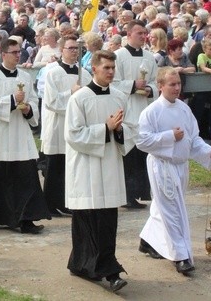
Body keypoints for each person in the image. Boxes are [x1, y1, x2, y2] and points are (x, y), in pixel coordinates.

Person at [136, 67, 211, 276]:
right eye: (172, 84)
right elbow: (142, 141)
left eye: (178, 84)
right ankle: (180, 256)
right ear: (160, 86)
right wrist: (169, 136)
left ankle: (147, 240)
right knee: (173, 212)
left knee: (163, 208)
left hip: (181, 166)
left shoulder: (184, 109)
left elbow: (193, 139)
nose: (176, 88)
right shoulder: (151, 112)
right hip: (162, 166)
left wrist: (208, 151)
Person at [0, 38, 51, 233]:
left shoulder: (25, 76)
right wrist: (13, 100)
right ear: (3, 54)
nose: (17, 55)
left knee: (25, 176)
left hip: (19, 133)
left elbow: (33, 102)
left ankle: (26, 219)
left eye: (18, 52)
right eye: (13, 52)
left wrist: (28, 110)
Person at [64, 50, 129, 292]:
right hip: (87, 167)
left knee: (107, 221)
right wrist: (105, 128)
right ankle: (86, 265)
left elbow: (131, 129)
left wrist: (120, 131)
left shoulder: (120, 97)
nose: (111, 72)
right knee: (87, 219)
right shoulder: (79, 98)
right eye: (106, 68)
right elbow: (73, 134)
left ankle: (105, 267)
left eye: (113, 68)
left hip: (110, 165)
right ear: (94, 69)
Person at [41, 33, 91, 216]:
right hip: (58, 124)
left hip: (76, 125)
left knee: (71, 166)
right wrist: (71, 93)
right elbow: (50, 101)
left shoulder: (84, 73)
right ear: (61, 50)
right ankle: (50, 203)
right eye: (70, 48)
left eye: (77, 49)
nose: (74, 52)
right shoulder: (53, 72)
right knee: (55, 165)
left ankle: (66, 202)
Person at [113, 20, 158, 208]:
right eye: (139, 33)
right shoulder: (118, 56)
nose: (143, 36)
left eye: (144, 33)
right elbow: (113, 83)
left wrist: (149, 89)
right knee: (128, 156)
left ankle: (139, 192)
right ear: (129, 34)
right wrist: (133, 85)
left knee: (141, 154)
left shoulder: (149, 56)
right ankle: (126, 195)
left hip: (143, 108)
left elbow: (156, 81)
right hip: (127, 108)